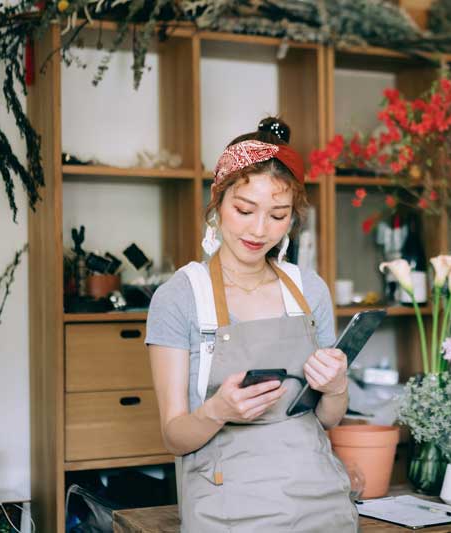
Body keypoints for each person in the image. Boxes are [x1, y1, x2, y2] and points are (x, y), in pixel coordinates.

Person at [145, 117, 359, 532]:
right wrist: (217, 410)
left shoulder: (308, 289)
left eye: (278, 216)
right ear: (218, 202)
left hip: (318, 497)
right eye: (245, 210)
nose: (260, 230)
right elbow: (174, 436)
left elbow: (330, 418)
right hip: (227, 504)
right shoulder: (180, 297)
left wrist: (336, 387)